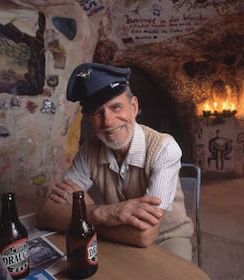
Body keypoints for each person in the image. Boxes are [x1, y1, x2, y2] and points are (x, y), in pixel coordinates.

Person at [36, 62, 194, 260]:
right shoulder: (89, 150)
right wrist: (102, 214)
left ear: (134, 106)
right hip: (118, 236)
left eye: (116, 107)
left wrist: (84, 216)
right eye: (98, 113)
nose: (108, 122)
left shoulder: (164, 147)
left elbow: (144, 235)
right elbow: (46, 214)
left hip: (168, 239)